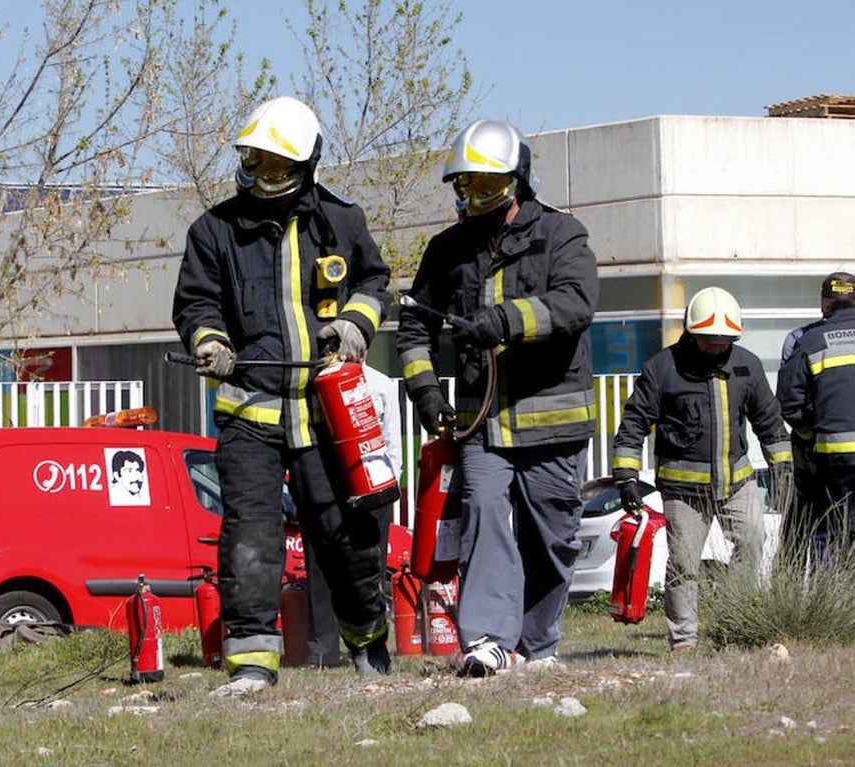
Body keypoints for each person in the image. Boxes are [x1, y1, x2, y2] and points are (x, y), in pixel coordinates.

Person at [172, 96, 393, 695]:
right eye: (253, 161)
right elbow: (196, 303)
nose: (261, 175)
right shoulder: (213, 229)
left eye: (275, 166)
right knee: (250, 541)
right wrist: (210, 341)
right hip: (250, 413)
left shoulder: (341, 221)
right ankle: (252, 665)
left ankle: (369, 643)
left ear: (304, 166)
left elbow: (375, 279)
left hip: (328, 415)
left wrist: (353, 325)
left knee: (348, 538)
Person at [396, 119, 599, 677]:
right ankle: (486, 640)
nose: (473, 199)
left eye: (487, 187)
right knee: (483, 514)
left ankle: (537, 646)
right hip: (480, 423)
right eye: (465, 187)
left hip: (552, 420)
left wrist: (505, 321)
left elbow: (576, 303)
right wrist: (425, 391)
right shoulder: (446, 250)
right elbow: (413, 328)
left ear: (517, 182)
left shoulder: (561, 234)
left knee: (552, 537)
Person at [612, 286, 791, 652]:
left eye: (724, 340)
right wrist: (627, 478)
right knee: (683, 564)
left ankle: (736, 626)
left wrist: (784, 469)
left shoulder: (747, 365)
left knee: (753, 542)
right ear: (691, 333)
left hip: (738, 483)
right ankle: (684, 641)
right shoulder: (662, 368)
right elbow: (633, 425)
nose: (717, 346)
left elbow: (770, 422)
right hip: (682, 490)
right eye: (710, 340)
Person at [303, 362, 402, 668]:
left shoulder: (381, 383)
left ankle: (372, 647)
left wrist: (387, 490)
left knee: (369, 569)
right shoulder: (316, 383)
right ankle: (322, 651)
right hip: (327, 484)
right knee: (321, 566)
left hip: (372, 491)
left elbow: (391, 441)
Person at [777, 272, 855, 561]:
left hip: (831, 457)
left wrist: (810, 435)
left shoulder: (809, 341)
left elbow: (788, 402)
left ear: (824, 304)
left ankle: (829, 602)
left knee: (829, 533)